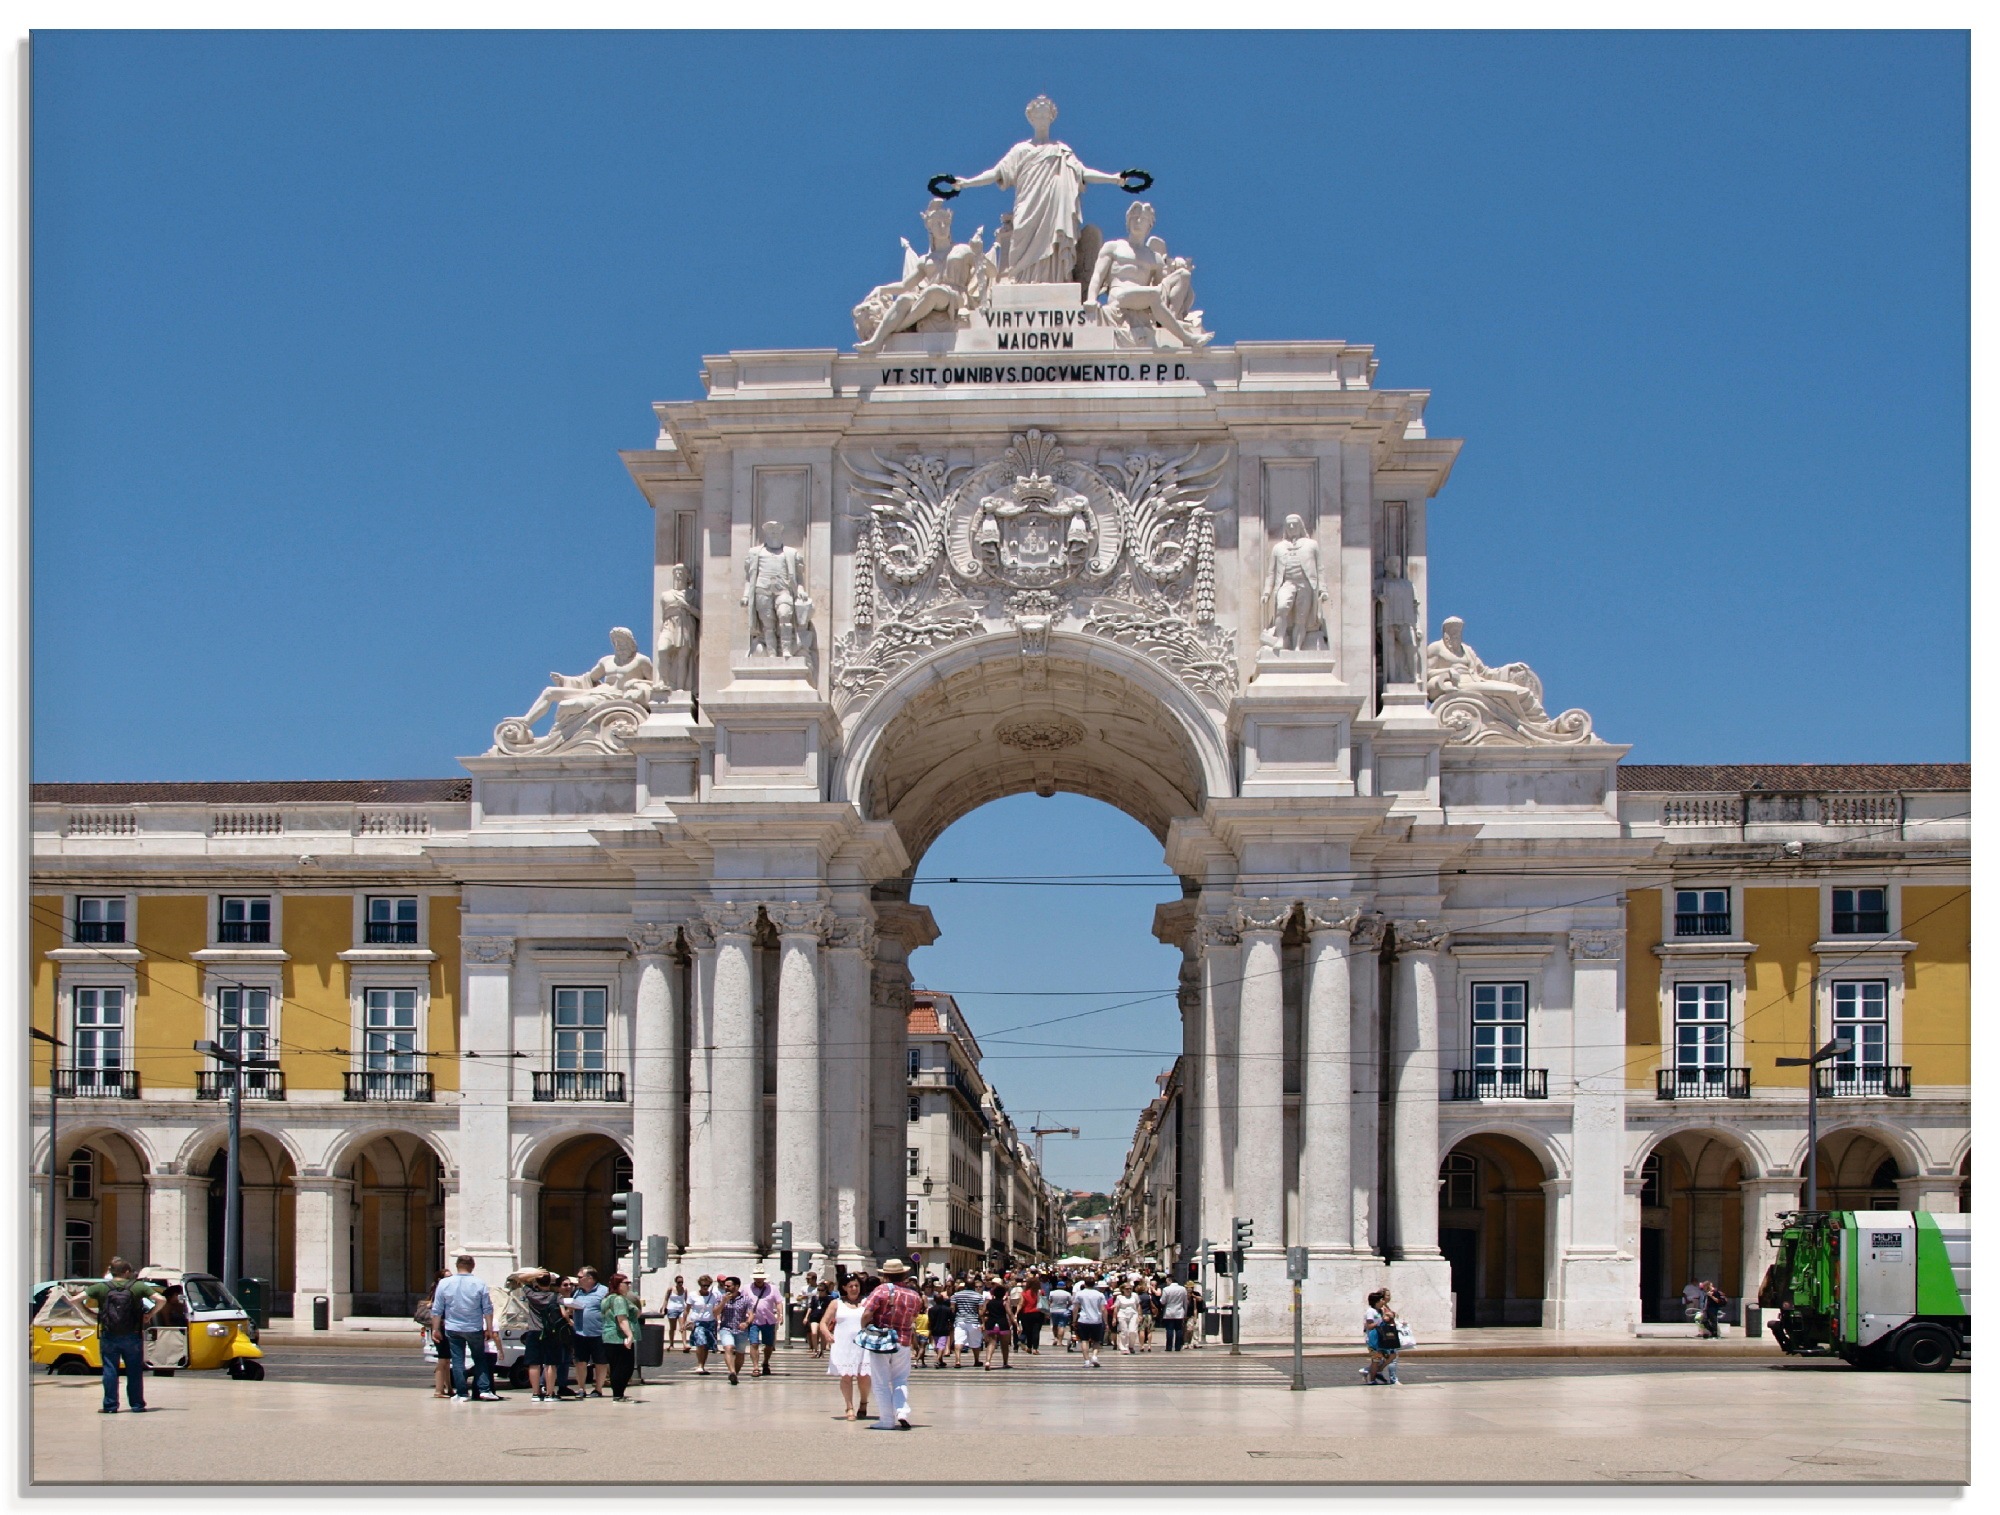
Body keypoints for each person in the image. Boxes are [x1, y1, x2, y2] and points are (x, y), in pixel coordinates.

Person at [84, 1258, 162, 1413]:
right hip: (132, 1335)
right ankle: (137, 1405)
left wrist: (90, 1314)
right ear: (126, 1272)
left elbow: (75, 1299)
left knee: (110, 1370)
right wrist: (149, 1314)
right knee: (134, 1371)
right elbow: (161, 1299)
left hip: (109, 1334)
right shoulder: (138, 1286)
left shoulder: (101, 1287)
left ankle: (110, 1406)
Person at [859, 1258, 921, 1431]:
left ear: (885, 1275)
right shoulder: (914, 1295)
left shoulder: (881, 1290)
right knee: (900, 1379)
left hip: (882, 1341)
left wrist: (863, 1328)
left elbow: (867, 1313)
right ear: (904, 1274)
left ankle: (887, 1420)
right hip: (903, 1341)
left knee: (880, 1381)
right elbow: (914, 1317)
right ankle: (901, 1411)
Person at [431, 1254, 501, 1401]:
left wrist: (435, 1329)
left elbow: (437, 1309)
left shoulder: (445, 1283)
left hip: (453, 1327)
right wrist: (488, 1328)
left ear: (457, 1266)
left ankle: (462, 1393)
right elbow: (487, 1308)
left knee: (457, 1360)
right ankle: (484, 1390)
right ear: (473, 1266)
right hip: (474, 1327)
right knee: (480, 1358)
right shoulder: (479, 1283)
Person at [822, 1275, 872, 1421]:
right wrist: (827, 1334)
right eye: (851, 1286)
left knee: (863, 1376)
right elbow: (824, 1322)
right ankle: (849, 1407)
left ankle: (863, 1402)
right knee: (846, 1376)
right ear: (844, 1287)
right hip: (843, 1344)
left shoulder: (866, 1302)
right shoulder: (836, 1303)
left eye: (856, 1285)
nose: (854, 1289)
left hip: (862, 1343)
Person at [518, 1269, 567, 1403]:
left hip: (534, 1331)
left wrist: (534, 1274)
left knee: (534, 1363)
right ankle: (550, 1393)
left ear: (536, 1282)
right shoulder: (556, 1296)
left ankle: (535, 1393)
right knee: (550, 1363)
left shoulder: (530, 1293)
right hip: (551, 1332)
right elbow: (563, 1313)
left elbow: (520, 1279)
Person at [564, 1267, 610, 1397]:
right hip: (580, 1332)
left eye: (580, 1277)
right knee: (580, 1361)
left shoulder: (604, 1291)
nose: (577, 1279)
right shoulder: (577, 1292)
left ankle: (598, 1388)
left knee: (600, 1362)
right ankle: (581, 1388)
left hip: (598, 1332)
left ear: (590, 1279)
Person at [601, 1273, 639, 1400]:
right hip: (618, 1337)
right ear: (618, 1284)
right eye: (626, 1283)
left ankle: (618, 1394)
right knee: (625, 1367)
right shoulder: (618, 1299)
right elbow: (621, 1318)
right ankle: (618, 1394)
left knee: (616, 1366)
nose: (629, 1285)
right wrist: (629, 1335)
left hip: (609, 1337)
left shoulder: (608, 1298)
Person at [745, 1269, 783, 1377]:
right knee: (754, 1343)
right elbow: (742, 1301)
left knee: (769, 1345)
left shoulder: (773, 1289)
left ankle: (766, 1362)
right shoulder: (747, 1288)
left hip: (768, 1320)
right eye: (756, 1277)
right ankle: (755, 1367)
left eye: (760, 1277)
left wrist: (780, 1315)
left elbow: (779, 1302)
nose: (758, 1279)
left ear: (764, 1278)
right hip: (753, 1320)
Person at [715, 1277, 753, 1386]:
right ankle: (731, 1371)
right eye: (725, 1286)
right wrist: (723, 1302)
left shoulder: (745, 1299)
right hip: (726, 1328)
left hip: (741, 1330)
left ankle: (735, 1374)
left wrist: (746, 1323)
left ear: (736, 1287)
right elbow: (715, 1312)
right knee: (729, 1347)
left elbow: (751, 1314)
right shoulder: (721, 1298)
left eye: (728, 1286)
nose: (725, 1288)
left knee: (740, 1353)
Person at [1363, 1289, 1401, 1386]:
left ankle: (1378, 1370)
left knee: (1392, 1355)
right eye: (1381, 1300)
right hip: (1373, 1340)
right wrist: (1380, 1321)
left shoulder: (1380, 1310)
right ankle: (1372, 1379)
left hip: (1382, 1339)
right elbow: (1369, 1326)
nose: (1383, 1301)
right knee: (1376, 1359)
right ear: (1377, 1301)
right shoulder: (1370, 1311)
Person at [685, 1274, 720, 1375]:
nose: (705, 1288)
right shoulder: (692, 1295)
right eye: (703, 1285)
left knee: (706, 1345)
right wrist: (684, 1322)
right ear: (699, 1285)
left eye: (707, 1286)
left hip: (710, 1322)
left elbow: (715, 1310)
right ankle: (699, 1365)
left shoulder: (713, 1296)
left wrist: (718, 1321)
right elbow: (686, 1310)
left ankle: (702, 1365)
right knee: (701, 1343)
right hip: (698, 1323)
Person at [1072, 1275, 1108, 1368]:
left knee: (1084, 1340)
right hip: (1097, 1320)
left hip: (1083, 1320)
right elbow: (1103, 1309)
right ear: (1094, 1284)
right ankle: (1095, 1356)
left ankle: (1087, 1360)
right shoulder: (1100, 1294)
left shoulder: (1080, 1294)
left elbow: (1075, 1308)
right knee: (1097, 1340)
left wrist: (1074, 1320)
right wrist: (1106, 1322)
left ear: (1085, 1284)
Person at [949, 1276, 985, 1368]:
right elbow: (980, 1311)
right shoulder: (978, 1296)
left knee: (958, 1341)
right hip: (973, 1321)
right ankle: (976, 1360)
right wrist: (982, 1322)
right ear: (973, 1286)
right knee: (975, 1342)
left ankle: (958, 1361)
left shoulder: (956, 1295)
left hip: (960, 1320)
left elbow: (952, 1309)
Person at [982, 1281, 1014, 1370]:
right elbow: (1010, 1314)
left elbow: (982, 1312)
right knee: (1004, 1345)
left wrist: (983, 1321)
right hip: (1003, 1324)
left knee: (991, 1343)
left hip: (991, 1324)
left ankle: (988, 1361)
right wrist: (1016, 1325)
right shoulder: (1004, 1303)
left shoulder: (989, 1302)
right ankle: (1005, 1362)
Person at [925, 1287, 955, 1371]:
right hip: (944, 1329)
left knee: (938, 1345)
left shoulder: (931, 1310)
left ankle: (941, 1360)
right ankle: (938, 1360)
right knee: (941, 1345)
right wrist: (950, 1325)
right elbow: (952, 1319)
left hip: (934, 1329)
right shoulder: (947, 1309)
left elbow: (930, 1320)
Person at [1159, 1273, 1189, 1353]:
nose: (1166, 1283)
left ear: (1170, 1280)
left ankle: (1169, 1347)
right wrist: (1185, 1312)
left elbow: (1162, 1301)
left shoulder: (1166, 1289)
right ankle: (1178, 1347)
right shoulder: (1182, 1289)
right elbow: (1185, 1302)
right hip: (1179, 1312)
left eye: (1167, 1281)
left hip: (1169, 1312)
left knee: (1169, 1330)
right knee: (1179, 1330)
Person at [1018, 1275, 1044, 1354]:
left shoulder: (1024, 1293)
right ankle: (1035, 1349)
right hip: (1038, 1313)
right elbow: (1043, 1302)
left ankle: (1029, 1347)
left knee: (1028, 1331)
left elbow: (1021, 1304)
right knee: (1036, 1331)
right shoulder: (1040, 1292)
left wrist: (1016, 1313)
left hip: (1026, 1314)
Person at [663, 1275, 690, 1353]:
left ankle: (685, 1344)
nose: (680, 1284)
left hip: (681, 1309)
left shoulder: (685, 1289)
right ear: (676, 1282)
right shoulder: (671, 1289)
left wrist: (687, 1310)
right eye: (679, 1282)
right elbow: (666, 1299)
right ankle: (671, 1344)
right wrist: (663, 1308)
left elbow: (686, 1301)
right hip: (672, 1309)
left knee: (683, 1327)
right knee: (673, 1328)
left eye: (682, 1282)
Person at [1047, 1277, 1074, 1351]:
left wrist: (1048, 1310)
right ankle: (1060, 1341)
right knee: (1062, 1326)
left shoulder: (1052, 1293)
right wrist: (1067, 1306)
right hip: (1063, 1310)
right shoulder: (1067, 1293)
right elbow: (1070, 1302)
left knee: (1054, 1325)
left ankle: (1055, 1338)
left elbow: (1049, 1302)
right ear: (1064, 1286)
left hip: (1053, 1310)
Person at [1115, 1281, 1142, 1355]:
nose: (1129, 1290)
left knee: (1132, 1331)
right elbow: (1116, 1307)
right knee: (1124, 1331)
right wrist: (1114, 1318)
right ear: (1123, 1289)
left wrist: (1140, 1315)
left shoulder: (1135, 1295)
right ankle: (1123, 1348)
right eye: (1127, 1289)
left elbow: (1138, 1305)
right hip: (1122, 1314)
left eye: (1130, 1288)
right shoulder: (1119, 1297)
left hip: (1133, 1314)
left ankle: (1131, 1346)